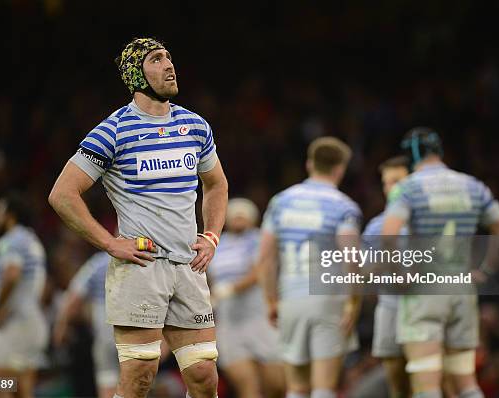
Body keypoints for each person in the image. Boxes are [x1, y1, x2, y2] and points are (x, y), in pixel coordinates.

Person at [48, 37, 228, 398]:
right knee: (140, 377)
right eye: (157, 59)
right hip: (142, 267)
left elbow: (216, 184)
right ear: (136, 74)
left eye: (169, 57)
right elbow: (62, 194)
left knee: (205, 376)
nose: (169, 65)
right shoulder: (113, 131)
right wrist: (110, 243)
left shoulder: (195, 126)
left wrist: (210, 236)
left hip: (188, 267)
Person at [382, 127, 499, 398]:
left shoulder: (408, 188)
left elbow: (389, 234)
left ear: (410, 157)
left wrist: (400, 272)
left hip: (424, 290)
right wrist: (486, 271)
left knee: (427, 382)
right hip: (461, 288)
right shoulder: (473, 185)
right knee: (465, 383)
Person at [259, 137, 362, 398]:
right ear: (340, 168)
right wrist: (354, 301)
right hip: (328, 296)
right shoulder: (344, 207)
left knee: (296, 387)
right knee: (323, 386)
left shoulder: (280, 202)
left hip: (291, 296)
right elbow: (351, 257)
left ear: (309, 164)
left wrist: (271, 299)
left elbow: (266, 258)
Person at [207, 198, 285, 398]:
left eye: (243, 214)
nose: (239, 218)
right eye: (235, 214)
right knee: (246, 388)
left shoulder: (259, 239)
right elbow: (210, 278)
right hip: (230, 322)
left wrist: (231, 288)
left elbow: (260, 271)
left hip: (260, 318)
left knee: (276, 385)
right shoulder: (218, 245)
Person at [0, 192, 48, 398]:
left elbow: (12, 274)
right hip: (32, 321)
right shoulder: (33, 240)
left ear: (9, 214)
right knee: (22, 387)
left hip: (15, 322)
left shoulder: (10, 240)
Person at [362, 156, 410, 398]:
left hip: (422, 307)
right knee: (396, 381)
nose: (390, 187)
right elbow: (363, 272)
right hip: (389, 307)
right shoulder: (375, 227)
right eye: (386, 182)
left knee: (429, 378)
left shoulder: (428, 222)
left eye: (397, 180)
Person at [53, 251, 118, 398]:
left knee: (108, 388)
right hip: (137, 339)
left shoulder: (100, 262)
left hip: (107, 339)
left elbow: (74, 297)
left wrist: (61, 326)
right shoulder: (147, 259)